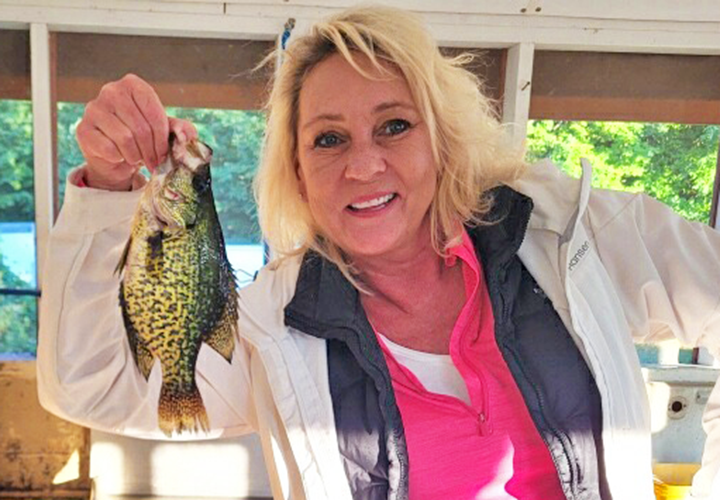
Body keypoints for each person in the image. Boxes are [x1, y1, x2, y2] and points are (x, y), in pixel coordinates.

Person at [36, 5, 720, 500]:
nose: (364, 166)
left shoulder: (571, 233)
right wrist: (106, 188)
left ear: (441, 139)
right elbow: (90, 386)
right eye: (328, 139)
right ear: (298, 172)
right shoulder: (275, 325)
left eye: (393, 125)